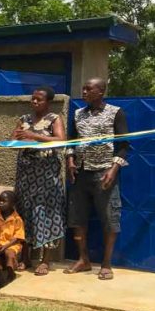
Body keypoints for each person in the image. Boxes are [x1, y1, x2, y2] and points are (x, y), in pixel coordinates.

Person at [65, 77, 129, 281]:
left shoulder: (115, 112)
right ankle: (83, 260)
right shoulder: (77, 114)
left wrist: (114, 169)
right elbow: (71, 141)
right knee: (78, 217)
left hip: (104, 173)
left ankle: (107, 263)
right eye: (83, 88)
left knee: (109, 218)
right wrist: (70, 160)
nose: (83, 92)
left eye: (88, 88)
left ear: (101, 92)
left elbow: (124, 144)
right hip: (81, 173)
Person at [11, 86, 66, 276]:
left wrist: (34, 137)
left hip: (47, 176)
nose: (35, 102)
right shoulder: (24, 119)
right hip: (26, 174)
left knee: (46, 214)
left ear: (47, 102)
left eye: (39, 100)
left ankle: (46, 260)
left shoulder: (54, 119)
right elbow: (13, 141)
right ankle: (26, 257)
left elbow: (60, 140)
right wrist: (16, 139)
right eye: (33, 99)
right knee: (25, 213)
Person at [0, 191, 24, 287]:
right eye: (0, 200)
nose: (0, 203)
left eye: (4, 201)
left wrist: (6, 246)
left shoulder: (17, 219)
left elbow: (17, 237)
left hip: (12, 244)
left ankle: (11, 274)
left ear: (12, 204)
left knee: (9, 253)